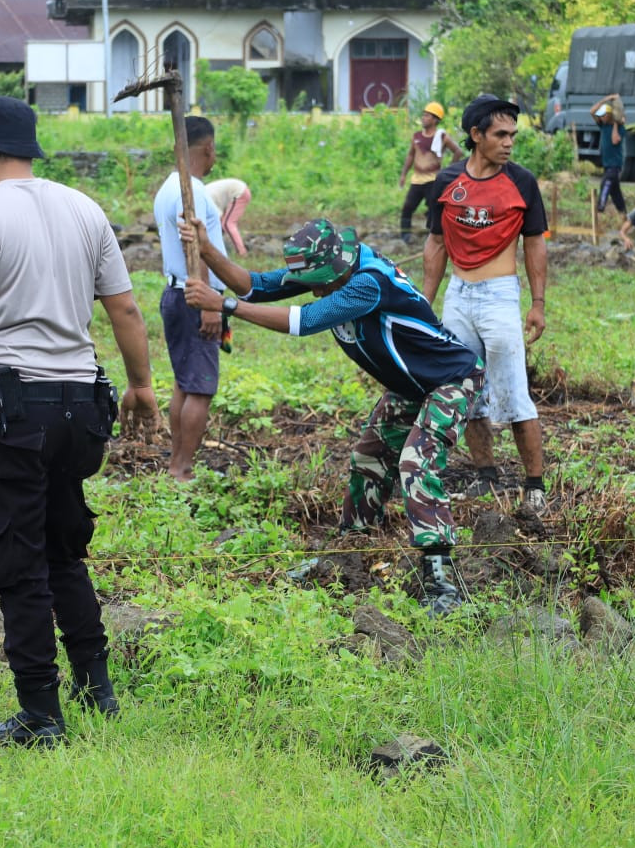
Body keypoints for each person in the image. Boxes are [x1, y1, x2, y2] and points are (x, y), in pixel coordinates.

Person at [0, 96, 159, 748]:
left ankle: (40, 715)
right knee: (64, 546)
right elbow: (124, 310)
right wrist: (144, 385)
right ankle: (96, 687)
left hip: (13, 408)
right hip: (80, 406)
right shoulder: (84, 209)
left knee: (16, 558)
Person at [181, 216, 482, 616]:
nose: (317, 289)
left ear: (335, 267)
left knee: (416, 462)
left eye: (321, 282)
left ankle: (443, 583)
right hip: (413, 387)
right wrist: (205, 249)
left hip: (452, 380)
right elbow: (253, 285)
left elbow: (303, 322)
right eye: (312, 282)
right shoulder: (328, 271)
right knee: (368, 459)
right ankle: (348, 553)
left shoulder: (367, 283)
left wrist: (225, 306)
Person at [422, 94, 549, 510]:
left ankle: (534, 487)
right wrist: (426, 301)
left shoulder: (522, 182)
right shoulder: (447, 182)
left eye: (513, 134)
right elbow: (436, 244)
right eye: (500, 134)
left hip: (499, 296)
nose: (509, 142)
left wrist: (538, 303)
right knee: (464, 389)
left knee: (513, 391)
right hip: (458, 296)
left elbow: (534, 246)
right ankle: (485, 474)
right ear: (476, 136)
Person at [154, 116, 226, 482]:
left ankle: (177, 464)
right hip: (195, 294)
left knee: (185, 382)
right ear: (208, 148)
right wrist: (212, 302)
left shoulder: (169, 187)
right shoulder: (191, 191)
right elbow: (192, 243)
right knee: (200, 386)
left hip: (177, 291)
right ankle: (182, 468)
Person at [398, 102, 461, 245]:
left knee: (434, 208)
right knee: (408, 207)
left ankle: (432, 236)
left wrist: (449, 170)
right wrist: (403, 174)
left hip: (433, 180)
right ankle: (405, 235)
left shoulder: (442, 136)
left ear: (435, 119)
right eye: (424, 115)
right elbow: (410, 156)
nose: (423, 118)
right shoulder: (416, 136)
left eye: (427, 116)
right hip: (417, 180)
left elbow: (458, 151)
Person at [592, 94, 626, 216]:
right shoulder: (603, 126)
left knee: (605, 183)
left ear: (610, 115)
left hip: (615, 164)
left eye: (604, 115)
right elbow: (592, 111)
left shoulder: (620, 128)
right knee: (615, 191)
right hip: (607, 164)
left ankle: (600, 208)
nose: (602, 118)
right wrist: (606, 99)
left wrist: (616, 123)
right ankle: (623, 212)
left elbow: (614, 140)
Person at [204, 177, 252, 255]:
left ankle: (242, 252)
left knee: (227, 224)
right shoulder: (202, 194)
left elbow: (218, 218)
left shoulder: (205, 198)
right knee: (222, 225)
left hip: (239, 193)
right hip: (238, 191)